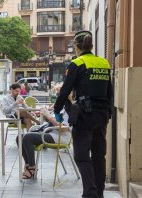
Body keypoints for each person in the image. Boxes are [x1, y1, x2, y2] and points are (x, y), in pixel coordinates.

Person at [53, 30, 112, 198]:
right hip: (101, 116)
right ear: (91, 46)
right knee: (99, 156)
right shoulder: (104, 63)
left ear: (77, 46)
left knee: (81, 155)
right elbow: (110, 92)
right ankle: (98, 193)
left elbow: (65, 91)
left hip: (84, 116)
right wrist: (108, 113)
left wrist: (57, 110)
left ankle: (90, 193)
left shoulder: (77, 63)